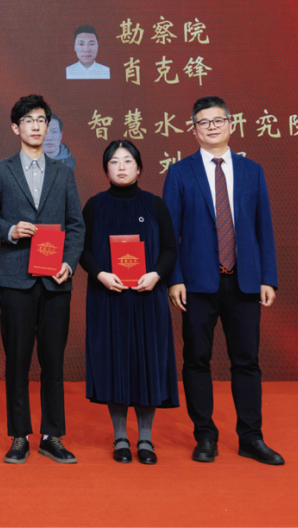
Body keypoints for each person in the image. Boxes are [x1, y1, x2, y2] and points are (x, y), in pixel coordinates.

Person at [163, 96, 284, 465]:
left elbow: (264, 228)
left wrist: (268, 278)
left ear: (231, 124)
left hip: (244, 282)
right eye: (204, 122)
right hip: (197, 284)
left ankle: (251, 437)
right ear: (194, 130)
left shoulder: (252, 171)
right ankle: (205, 436)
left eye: (218, 120)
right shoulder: (180, 173)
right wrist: (175, 279)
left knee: (246, 361)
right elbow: (169, 234)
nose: (212, 127)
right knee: (196, 360)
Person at [0, 94, 85, 464]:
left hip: (56, 280)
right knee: (17, 360)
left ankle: (51, 435)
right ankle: (19, 435)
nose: (36, 126)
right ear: (16, 127)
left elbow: (76, 226)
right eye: (28, 120)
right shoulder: (0, 170)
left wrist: (69, 264)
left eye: (42, 120)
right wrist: (11, 230)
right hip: (16, 278)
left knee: (53, 360)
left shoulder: (64, 172)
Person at [80, 140, 179, 465]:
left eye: (127, 161)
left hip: (147, 296)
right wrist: (100, 275)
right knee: (114, 363)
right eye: (114, 161)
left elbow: (170, 248)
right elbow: (82, 249)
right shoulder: (95, 205)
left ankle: (146, 438)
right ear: (105, 169)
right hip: (108, 297)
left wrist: (156, 275)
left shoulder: (155, 205)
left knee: (147, 362)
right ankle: (121, 436)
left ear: (139, 167)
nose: (121, 167)